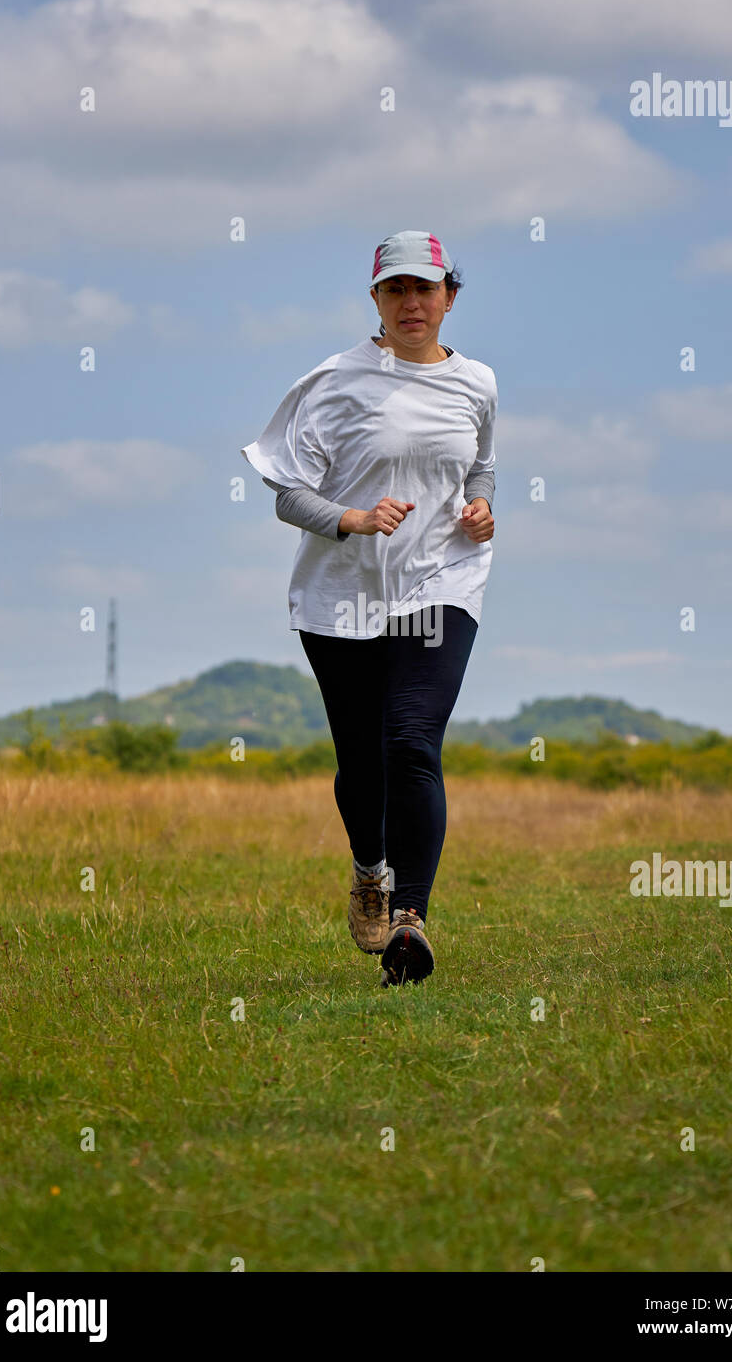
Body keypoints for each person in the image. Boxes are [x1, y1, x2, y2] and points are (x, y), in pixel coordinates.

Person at [241, 230, 497, 986]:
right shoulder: (336, 381)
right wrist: (349, 518)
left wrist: (481, 507)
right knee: (362, 761)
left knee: (412, 741)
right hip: (343, 595)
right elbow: (286, 491)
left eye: (426, 288)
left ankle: (410, 922)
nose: (412, 303)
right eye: (396, 290)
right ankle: (370, 870)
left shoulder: (478, 381)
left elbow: (480, 466)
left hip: (440, 584)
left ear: (450, 295)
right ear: (376, 300)